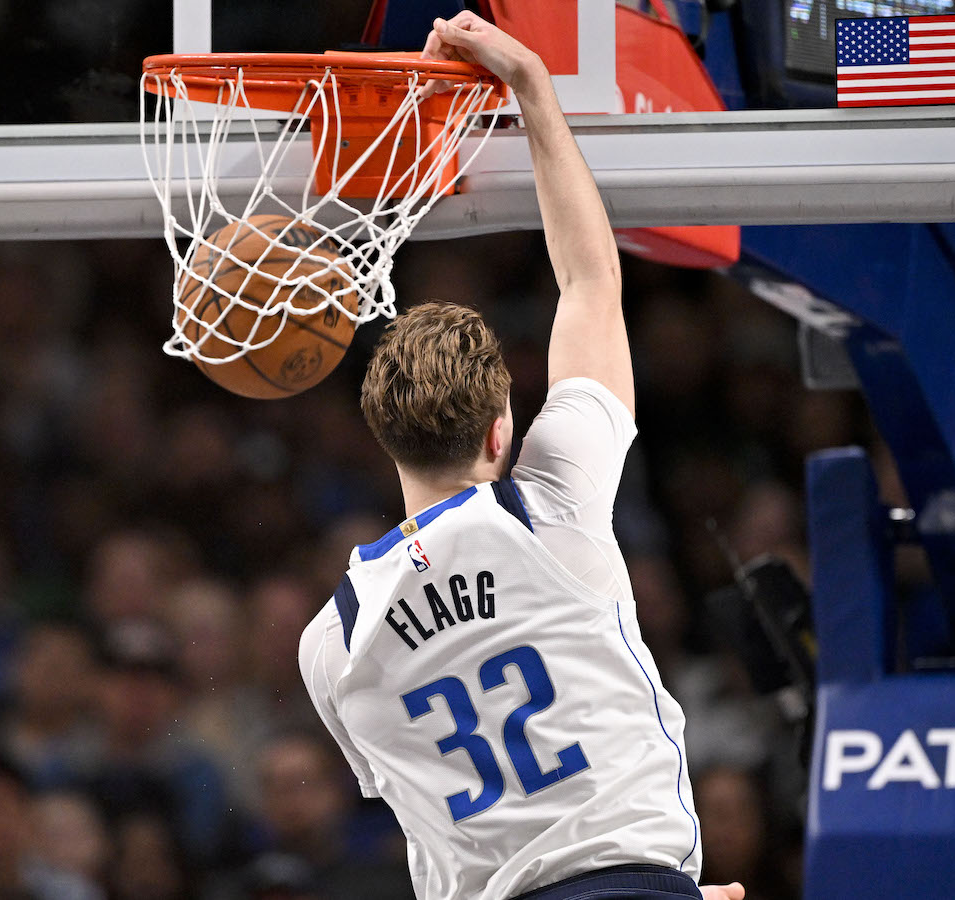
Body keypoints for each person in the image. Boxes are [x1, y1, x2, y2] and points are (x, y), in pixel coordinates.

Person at [297, 13, 744, 900]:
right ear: (503, 431)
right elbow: (590, 281)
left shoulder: (330, 644)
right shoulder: (553, 505)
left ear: (383, 436)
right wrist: (533, 86)